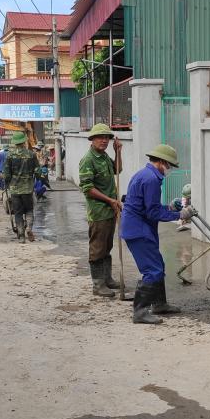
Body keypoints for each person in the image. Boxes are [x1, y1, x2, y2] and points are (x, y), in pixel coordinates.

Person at [121, 144, 192, 324]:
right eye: (168, 165)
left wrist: (167, 207)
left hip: (137, 227)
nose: (169, 169)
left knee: (157, 265)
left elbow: (148, 206)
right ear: (161, 162)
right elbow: (152, 212)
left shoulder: (143, 175)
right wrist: (179, 215)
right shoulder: (151, 179)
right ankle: (140, 312)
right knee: (152, 270)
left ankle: (159, 304)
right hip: (139, 230)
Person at [78, 123, 123, 297]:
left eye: (107, 137)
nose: (104, 140)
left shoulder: (104, 156)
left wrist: (118, 152)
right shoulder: (88, 160)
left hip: (110, 210)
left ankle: (107, 279)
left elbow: (117, 169)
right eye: (100, 137)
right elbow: (87, 188)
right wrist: (110, 200)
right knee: (97, 248)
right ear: (92, 139)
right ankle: (98, 285)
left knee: (107, 246)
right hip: (98, 212)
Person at [3, 132, 38, 243]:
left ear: (15, 143)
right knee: (29, 210)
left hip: (15, 189)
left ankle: (22, 236)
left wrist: (7, 183)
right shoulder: (31, 154)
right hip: (28, 188)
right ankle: (29, 229)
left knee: (17, 213)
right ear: (24, 142)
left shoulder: (10, 156)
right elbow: (37, 171)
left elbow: (7, 175)